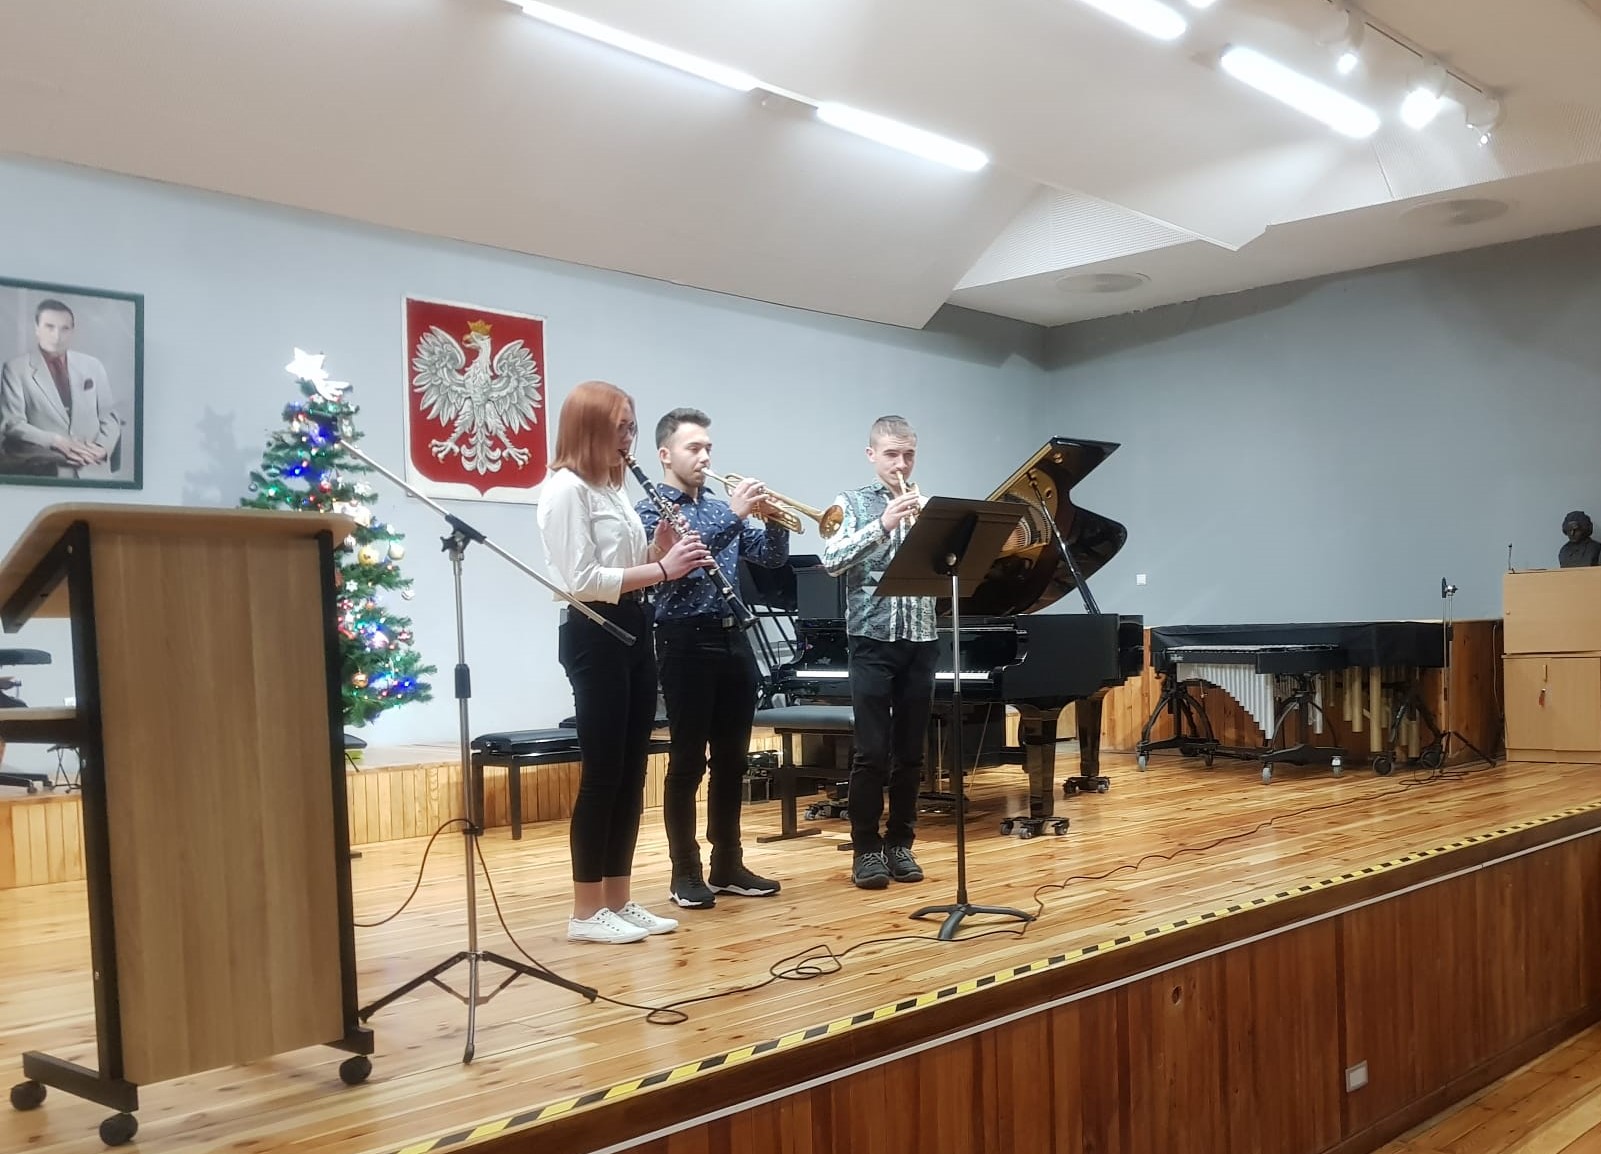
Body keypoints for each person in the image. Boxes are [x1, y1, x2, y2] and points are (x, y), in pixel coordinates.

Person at [536, 380, 713, 945]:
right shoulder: (566, 489)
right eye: (621, 427)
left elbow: (626, 566)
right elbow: (581, 579)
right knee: (603, 773)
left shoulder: (610, 488)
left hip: (634, 626)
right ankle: (585, 912)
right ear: (589, 427)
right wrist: (664, 569)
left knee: (633, 771)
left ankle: (618, 898)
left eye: (632, 427)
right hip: (593, 634)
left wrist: (658, 550)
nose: (629, 438)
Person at [635, 408, 790, 910]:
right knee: (687, 762)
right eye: (693, 448)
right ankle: (685, 870)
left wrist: (774, 521)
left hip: (733, 638)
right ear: (665, 455)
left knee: (732, 759)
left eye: (708, 448)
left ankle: (728, 863)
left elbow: (770, 558)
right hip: (684, 640)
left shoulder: (721, 508)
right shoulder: (651, 509)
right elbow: (684, 558)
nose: (704, 457)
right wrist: (737, 515)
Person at [820, 415, 934, 890]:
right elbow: (831, 561)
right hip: (871, 640)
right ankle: (865, 848)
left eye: (908, 454)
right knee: (871, 752)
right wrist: (884, 524)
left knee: (911, 752)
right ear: (872, 455)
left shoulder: (928, 506)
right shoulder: (850, 503)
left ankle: (900, 842)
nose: (901, 464)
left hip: (921, 638)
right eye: (891, 454)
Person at [0, 299, 121, 478]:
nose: (57, 336)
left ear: (73, 331)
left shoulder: (93, 365)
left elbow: (109, 417)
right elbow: (12, 424)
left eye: (65, 329)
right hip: (45, 474)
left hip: (94, 474)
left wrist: (102, 448)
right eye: (50, 327)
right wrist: (55, 441)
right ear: (37, 329)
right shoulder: (16, 368)